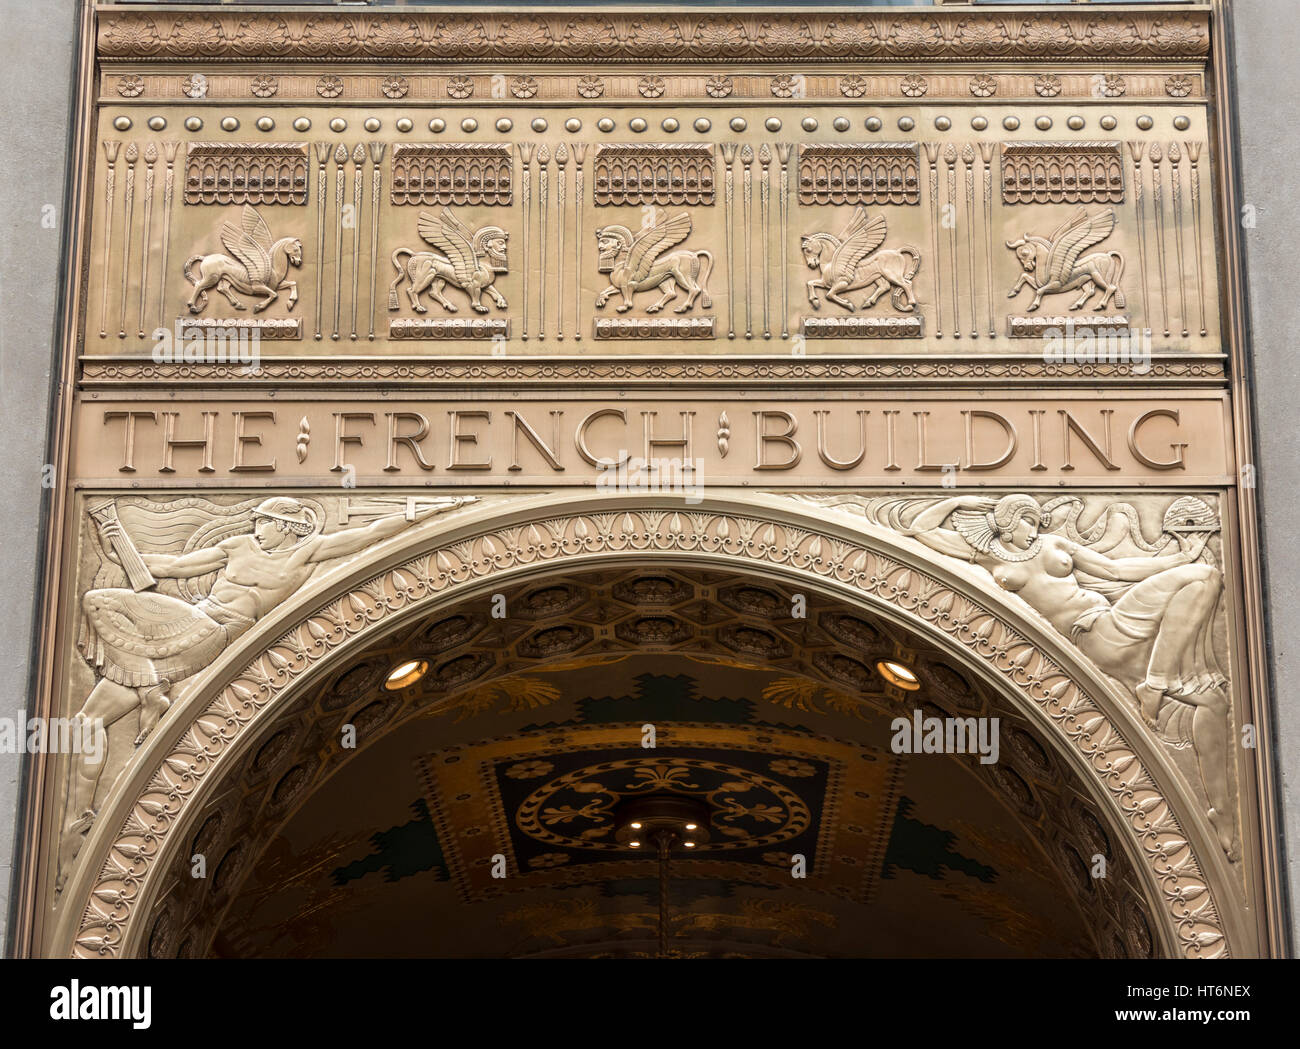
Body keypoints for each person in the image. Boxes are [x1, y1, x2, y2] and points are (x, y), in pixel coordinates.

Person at [878, 493, 1236, 860]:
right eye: (1026, 521)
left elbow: (1114, 571)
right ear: (1005, 521)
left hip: (1112, 622)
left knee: (1212, 685)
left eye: (1035, 522)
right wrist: (960, 501)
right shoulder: (984, 554)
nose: (1033, 530)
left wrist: (1181, 557)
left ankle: (1220, 813)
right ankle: (1155, 683)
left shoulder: (1053, 543)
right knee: (1200, 583)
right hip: (1092, 639)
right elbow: (919, 527)